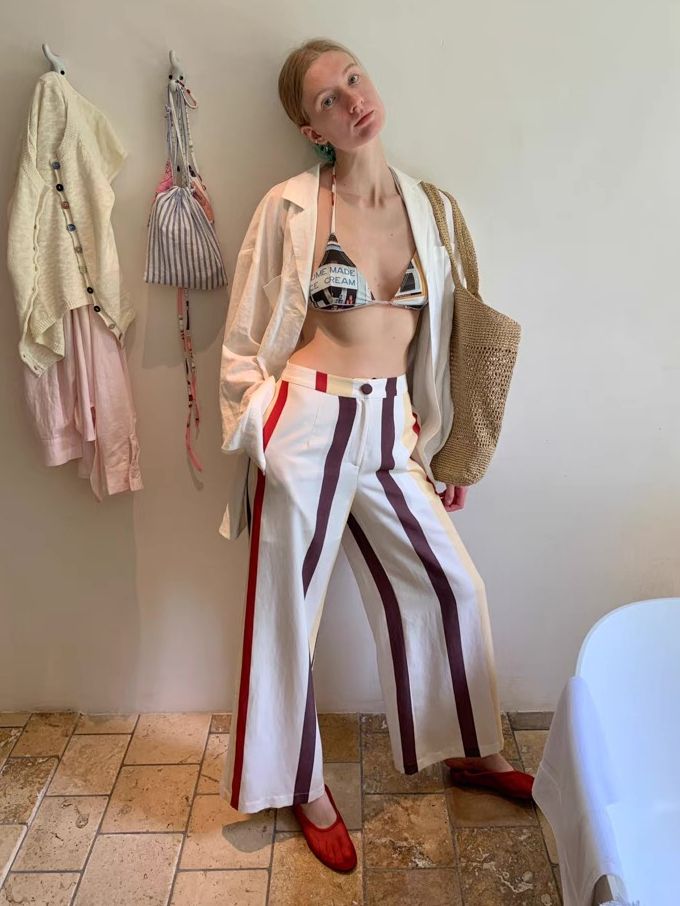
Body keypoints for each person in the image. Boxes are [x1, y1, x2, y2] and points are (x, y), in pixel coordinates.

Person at [217, 37, 532, 873]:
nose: (352, 100)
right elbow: (244, 334)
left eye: (353, 78)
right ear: (310, 127)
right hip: (308, 421)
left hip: (394, 428)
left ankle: (471, 748)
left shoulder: (433, 209)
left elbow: (454, 335)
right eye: (327, 98)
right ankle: (301, 786)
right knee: (287, 613)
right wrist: (263, 423)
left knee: (452, 585)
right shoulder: (291, 207)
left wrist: (449, 445)